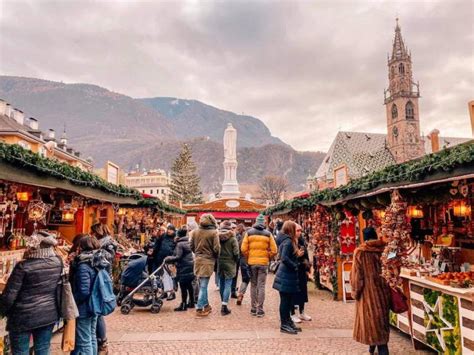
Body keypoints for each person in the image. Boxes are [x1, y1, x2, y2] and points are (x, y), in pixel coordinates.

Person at [0, 231, 62, 355]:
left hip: (22, 317)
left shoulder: (23, 266)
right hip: (48, 314)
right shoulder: (57, 262)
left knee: (20, 351)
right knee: (43, 349)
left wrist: (2, 311)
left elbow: (9, 296)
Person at [350, 231, 390, 355]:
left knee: (371, 322)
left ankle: (382, 351)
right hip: (383, 293)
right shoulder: (385, 249)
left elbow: (357, 276)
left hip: (367, 294)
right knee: (381, 321)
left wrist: (355, 292)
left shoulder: (361, 252)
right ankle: (373, 349)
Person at [70, 234, 109, 355]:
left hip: (85, 306)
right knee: (91, 336)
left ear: (82, 247)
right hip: (95, 304)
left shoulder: (83, 265)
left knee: (84, 340)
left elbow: (84, 290)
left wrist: (74, 302)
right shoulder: (98, 261)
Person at [241, 214, 277, 317]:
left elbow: (243, 249)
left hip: (252, 262)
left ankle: (253, 308)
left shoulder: (249, 233)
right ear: (264, 223)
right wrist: (267, 256)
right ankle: (260, 310)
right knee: (261, 286)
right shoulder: (268, 234)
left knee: (253, 285)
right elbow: (274, 250)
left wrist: (249, 257)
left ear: (256, 222)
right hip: (263, 263)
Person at [92, 223, 117, 355]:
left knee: (99, 312)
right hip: (103, 277)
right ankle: (99, 341)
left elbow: (108, 258)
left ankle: (102, 342)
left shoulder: (107, 244)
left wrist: (95, 252)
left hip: (103, 278)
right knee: (98, 312)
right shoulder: (106, 242)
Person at [273, 221, 301, 335]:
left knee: (288, 301)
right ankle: (284, 324)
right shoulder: (288, 242)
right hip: (286, 275)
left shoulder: (288, 241)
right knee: (285, 301)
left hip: (287, 276)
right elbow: (284, 258)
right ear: (291, 229)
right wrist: (294, 266)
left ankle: (288, 322)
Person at [190, 213, 220, 317]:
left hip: (198, 260)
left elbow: (191, 246)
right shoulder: (214, 232)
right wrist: (215, 256)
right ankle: (199, 308)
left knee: (202, 284)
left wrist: (198, 253)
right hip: (208, 261)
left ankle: (206, 305)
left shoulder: (195, 232)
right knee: (203, 286)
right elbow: (217, 248)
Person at [165, 227, 195, 311]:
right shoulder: (188, 241)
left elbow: (178, 256)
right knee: (189, 285)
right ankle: (192, 302)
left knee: (183, 286)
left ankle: (184, 304)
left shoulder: (180, 244)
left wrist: (168, 258)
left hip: (183, 267)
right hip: (190, 265)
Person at [290, 224, 312, 324]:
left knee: (303, 290)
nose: (299, 232)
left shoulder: (302, 241)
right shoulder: (289, 242)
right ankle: (292, 313)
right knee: (293, 292)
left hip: (302, 270)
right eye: (298, 230)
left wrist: (307, 266)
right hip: (294, 270)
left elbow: (306, 254)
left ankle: (302, 312)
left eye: (300, 231)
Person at [217, 221, 239, 315]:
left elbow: (215, 249)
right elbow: (236, 252)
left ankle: (223, 302)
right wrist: (235, 260)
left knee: (221, 283)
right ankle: (224, 306)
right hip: (230, 263)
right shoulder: (232, 238)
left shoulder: (217, 237)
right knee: (228, 284)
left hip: (220, 262)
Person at [153, 224, 177, 301]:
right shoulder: (163, 236)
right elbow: (157, 244)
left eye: (171, 229)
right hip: (160, 259)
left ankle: (171, 292)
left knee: (169, 276)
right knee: (162, 276)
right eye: (168, 229)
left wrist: (172, 256)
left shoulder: (175, 238)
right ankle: (165, 292)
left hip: (170, 260)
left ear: (173, 230)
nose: (169, 231)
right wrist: (154, 252)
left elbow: (177, 249)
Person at [235, 224, 250, 306]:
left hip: (242, 260)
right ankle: (255, 300)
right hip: (250, 259)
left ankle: (240, 294)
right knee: (255, 281)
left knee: (245, 278)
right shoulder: (247, 236)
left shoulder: (240, 237)